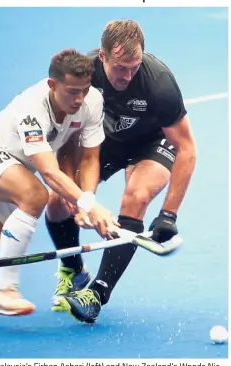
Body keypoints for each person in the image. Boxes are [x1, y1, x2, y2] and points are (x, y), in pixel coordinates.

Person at [0, 49, 119, 316]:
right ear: (52, 84)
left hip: (16, 167)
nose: (79, 98)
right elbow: (48, 172)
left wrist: (85, 199)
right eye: (71, 91)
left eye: (84, 90)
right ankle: (4, 291)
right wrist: (89, 205)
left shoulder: (91, 101)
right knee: (35, 195)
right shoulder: (32, 108)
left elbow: (88, 157)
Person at [48, 20, 197, 323]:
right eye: (120, 68)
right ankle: (73, 269)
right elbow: (66, 138)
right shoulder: (82, 77)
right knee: (56, 202)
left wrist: (169, 214)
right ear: (101, 57)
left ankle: (97, 293)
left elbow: (187, 147)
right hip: (103, 142)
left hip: (152, 142)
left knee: (137, 195)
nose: (128, 76)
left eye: (135, 67)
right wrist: (82, 199)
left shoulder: (160, 84)